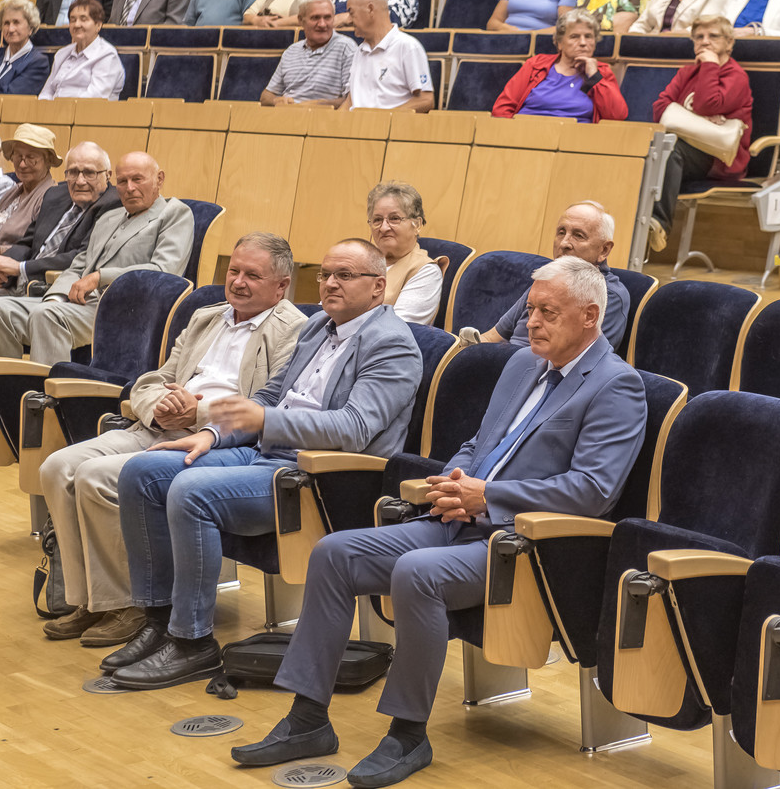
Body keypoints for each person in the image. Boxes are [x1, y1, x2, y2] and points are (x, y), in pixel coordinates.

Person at [229, 256, 646, 783]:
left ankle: (407, 735)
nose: (532, 322)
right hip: (459, 518)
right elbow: (479, 443)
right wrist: (454, 479)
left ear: (589, 316)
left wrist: (487, 497)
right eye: (530, 310)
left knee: (417, 572)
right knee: (333, 553)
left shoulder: (616, 385)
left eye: (548, 312)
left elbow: (592, 491)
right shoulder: (522, 363)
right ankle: (308, 718)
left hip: (526, 547)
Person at [104, 239, 424, 691]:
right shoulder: (318, 326)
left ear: (378, 286)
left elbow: (355, 429)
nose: (330, 283)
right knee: (142, 473)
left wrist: (265, 420)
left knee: (190, 492)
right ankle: (158, 621)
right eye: (326, 274)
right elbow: (272, 396)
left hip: (319, 477)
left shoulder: (393, 344)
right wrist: (212, 433)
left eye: (345, 275)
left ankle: (192, 642)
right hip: (266, 452)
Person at [38, 234, 305, 649]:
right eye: (234, 271)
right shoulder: (206, 317)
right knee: (56, 467)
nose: (238, 282)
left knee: (95, 477)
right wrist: (159, 406)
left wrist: (195, 414)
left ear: (281, 286)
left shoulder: (294, 331)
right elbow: (154, 379)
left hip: (215, 441)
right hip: (158, 426)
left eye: (253, 275)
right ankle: (89, 599)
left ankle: (128, 604)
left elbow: (264, 406)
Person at [0, 152, 193, 367]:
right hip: (79, 303)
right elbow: (80, 264)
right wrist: (57, 297)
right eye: (122, 181)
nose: (129, 188)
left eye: (137, 179)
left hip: (125, 308)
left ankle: (49, 392)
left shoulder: (174, 214)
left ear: (159, 179)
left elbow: (164, 271)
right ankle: (3, 390)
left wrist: (99, 277)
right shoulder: (109, 217)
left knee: (47, 316)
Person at [0, 143, 121, 370]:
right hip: (18, 284)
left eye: (89, 173)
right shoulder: (55, 195)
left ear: (107, 175)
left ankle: (4, 382)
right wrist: (2, 265)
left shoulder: (113, 204)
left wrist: (22, 268)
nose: (79, 181)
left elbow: (82, 257)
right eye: (72, 172)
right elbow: (28, 242)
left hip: (54, 290)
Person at [464, 203, 634, 350]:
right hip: (506, 363)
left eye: (578, 235)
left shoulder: (608, 295)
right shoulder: (547, 279)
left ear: (604, 250)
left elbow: (570, 362)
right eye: (561, 232)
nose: (564, 243)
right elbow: (492, 337)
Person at [646, 16, 753, 249]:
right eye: (699, 37)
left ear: (729, 43)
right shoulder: (687, 72)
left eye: (713, 36)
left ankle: (658, 223)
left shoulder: (736, 76)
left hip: (717, 158)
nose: (705, 41)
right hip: (684, 151)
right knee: (651, 147)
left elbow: (707, 104)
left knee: (670, 148)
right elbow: (660, 108)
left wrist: (710, 65)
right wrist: (698, 120)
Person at [491, 11, 627, 122]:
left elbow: (617, 116)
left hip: (574, 141)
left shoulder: (601, 72)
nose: (583, 42)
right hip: (527, 135)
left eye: (588, 36)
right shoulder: (536, 65)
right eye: (574, 36)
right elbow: (502, 108)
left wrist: (594, 76)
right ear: (559, 43)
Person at [0, 124, 59, 279]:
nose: (22, 164)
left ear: (48, 161)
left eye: (31, 158)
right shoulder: (14, 190)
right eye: (18, 156)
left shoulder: (51, 197)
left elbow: (35, 251)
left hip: (3, 277)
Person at [340, 0, 434, 113]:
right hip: (356, 123)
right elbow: (350, 101)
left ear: (370, 9)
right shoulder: (360, 51)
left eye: (351, 13)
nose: (348, 20)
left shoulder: (407, 46)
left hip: (389, 124)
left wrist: (384, 118)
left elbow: (426, 100)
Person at [368, 183, 443, 326]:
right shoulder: (359, 261)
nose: (384, 227)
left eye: (394, 218)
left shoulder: (426, 271)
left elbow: (396, 328)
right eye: (377, 220)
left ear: (417, 225)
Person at [259, 0, 355, 106]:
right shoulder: (291, 51)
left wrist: (317, 105)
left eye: (327, 18)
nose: (322, 24)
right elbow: (266, 96)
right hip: (287, 113)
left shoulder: (346, 48)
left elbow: (352, 99)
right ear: (301, 20)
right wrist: (277, 101)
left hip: (324, 115)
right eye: (315, 18)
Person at [39, 0, 125, 100]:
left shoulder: (107, 55)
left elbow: (94, 97)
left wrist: (60, 108)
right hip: (55, 108)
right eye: (73, 20)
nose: (76, 25)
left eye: (83, 20)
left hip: (87, 109)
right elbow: (47, 92)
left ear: (98, 25)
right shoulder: (62, 53)